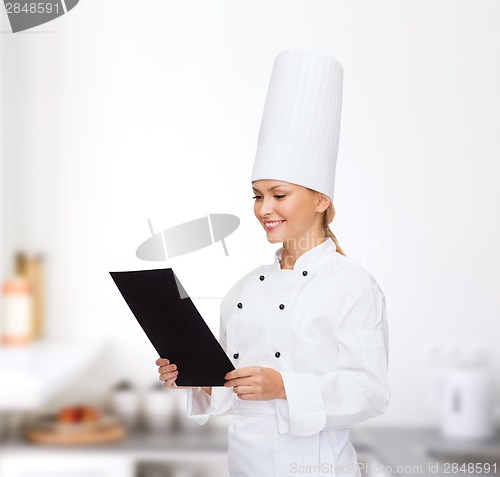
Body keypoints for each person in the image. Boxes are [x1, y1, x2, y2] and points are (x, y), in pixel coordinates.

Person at [156, 48, 390, 477]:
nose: (265, 208)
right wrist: (196, 378)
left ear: (321, 199)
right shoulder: (244, 290)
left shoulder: (352, 286)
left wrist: (284, 386)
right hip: (245, 463)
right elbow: (231, 389)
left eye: (279, 194)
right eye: (257, 195)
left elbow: (370, 391)